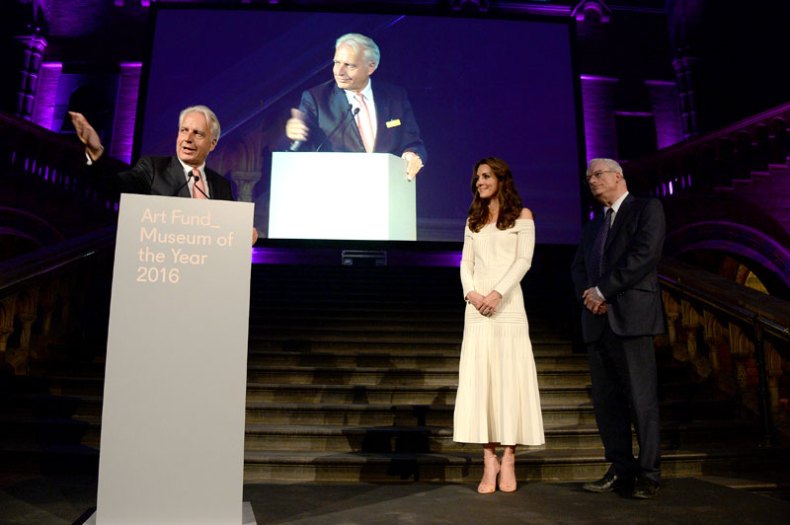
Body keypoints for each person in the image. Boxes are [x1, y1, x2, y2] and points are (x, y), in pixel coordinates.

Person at [570, 158, 665, 499]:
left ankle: (649, 473)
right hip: (597, 321)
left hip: (631, 319)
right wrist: (589, 297)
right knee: (607, 403)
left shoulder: (646, 209)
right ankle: (620, 469)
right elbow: (579, 267)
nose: (592, 181)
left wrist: (604, 290)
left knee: (641, 400)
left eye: (597, 175)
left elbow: (643, 256)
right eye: (588, 178)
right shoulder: (594, 225)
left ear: (617, 176)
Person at [453, 157, 545, 494]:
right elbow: (466, 262)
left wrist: (496, 293)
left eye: (486, 176)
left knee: (508, 381)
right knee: (482, 382)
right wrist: (473, 294)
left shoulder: (522, 217)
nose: (479, 182)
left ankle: (509, 457)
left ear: (501, 179)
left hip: (507, 308)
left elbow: (524, 260)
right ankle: (487, 458)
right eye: (477, 177)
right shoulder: (473, 221)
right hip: (477, 310)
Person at [69, 106, 258, 243]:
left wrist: (245, 235)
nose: (188, 139)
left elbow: (229, 230)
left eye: (198, 134)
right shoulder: (152, 169)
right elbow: (112, 188)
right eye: (184, 131)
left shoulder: (221, 185)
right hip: (161, 274)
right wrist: (96, 154)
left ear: (213, 143)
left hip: (203, 282)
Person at [285, 33, 426, 180]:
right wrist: (293, 134)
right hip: (335, 186)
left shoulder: (395, 97)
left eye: (349, 65)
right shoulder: (316, 98)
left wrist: (411, 155)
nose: (339, 72)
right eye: (336, 62)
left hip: (386, 187)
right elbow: (299, 145)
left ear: (370, 67)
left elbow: (412, 142)